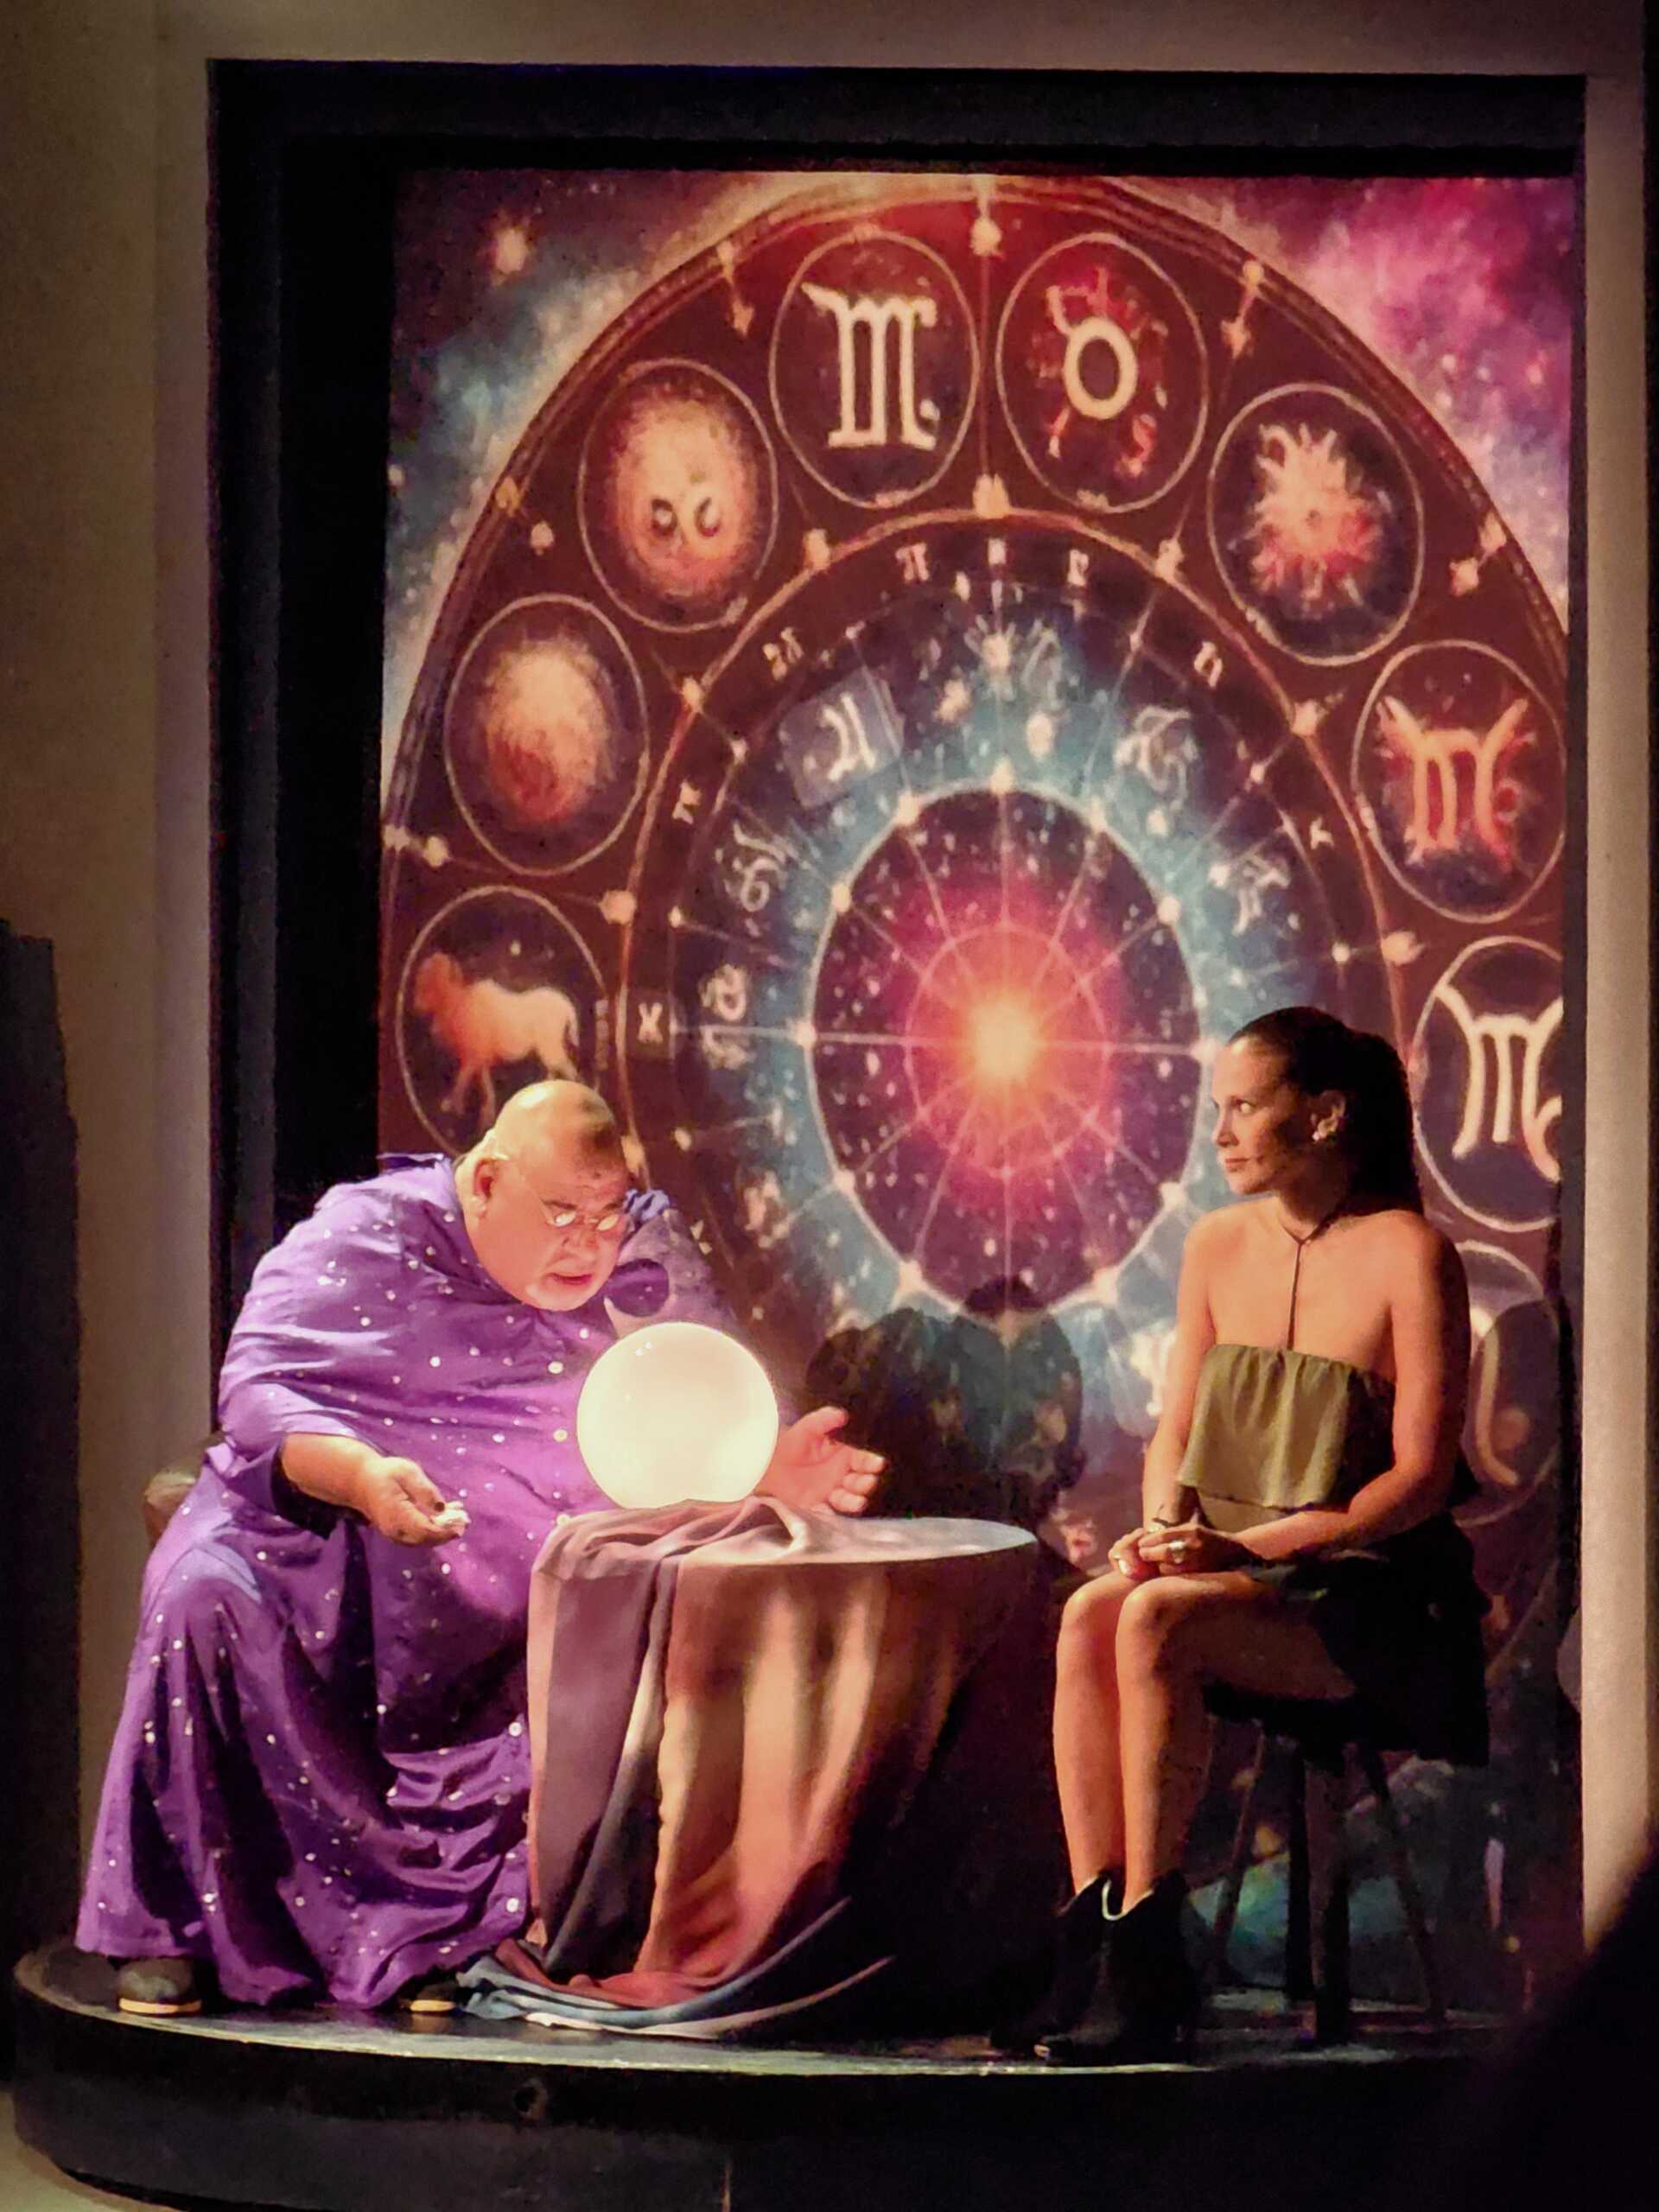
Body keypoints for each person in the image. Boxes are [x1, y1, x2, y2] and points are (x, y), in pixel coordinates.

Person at [79, 1082, 881, 2017]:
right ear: (489, 1181)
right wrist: (360, 1477)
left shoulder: (641, 1253)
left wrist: (762, 1462)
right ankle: (176, 1928)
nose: (591, 1245)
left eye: (608, 1214)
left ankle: (426, 1936)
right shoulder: (364, 1235)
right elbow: (260, 1393)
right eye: (564, 1214)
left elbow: (703, 1399)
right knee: (202, 1589)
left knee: (619, 1611)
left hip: (517, 1573)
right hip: (325, 1542)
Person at [1012, 1006, 1488, 2063]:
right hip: (1228, 1579)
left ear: (1324, 1115)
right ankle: (1094, 1934)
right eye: (1216, 1108)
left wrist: (1247, 1552)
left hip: (1366, 1598)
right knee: (1096, 1609)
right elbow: (1176, 1429)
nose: (1220, 1133)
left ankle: (1151, 1953)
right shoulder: (1217, 1246)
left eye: (1243, 1107)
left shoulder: (1412, 1254)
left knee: (1155, 1620)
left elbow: (1417, 1480)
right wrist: (1160, 1529)